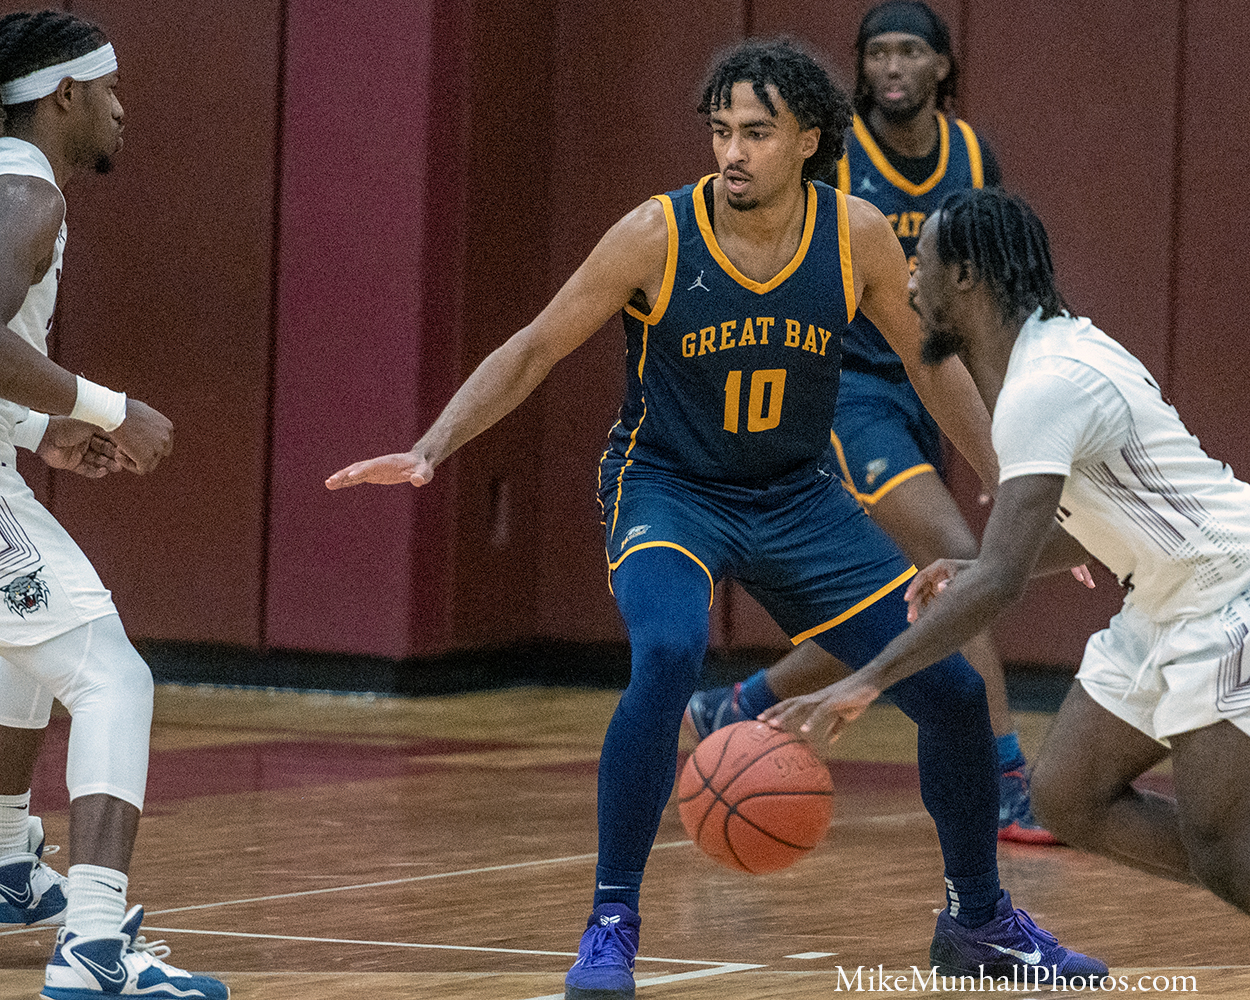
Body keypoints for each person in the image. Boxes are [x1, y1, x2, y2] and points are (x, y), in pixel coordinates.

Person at [327, 37, 1104, 998]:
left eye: (756, 133)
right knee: (666, 652)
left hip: (796, 495)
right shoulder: (655, 234)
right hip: (669, 488)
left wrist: (1022, 495)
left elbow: (932, 368)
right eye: (721, 130)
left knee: (949, 691)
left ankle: (978, 923)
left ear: (809, 140)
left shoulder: (855, 234)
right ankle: (611, 924)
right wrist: (432, 446)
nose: (732, 151)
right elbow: (535, 347)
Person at [762, 185, 1250, 918]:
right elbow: (1094, 525)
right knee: (1067, 795)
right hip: (1166, 595)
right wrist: (974, 567)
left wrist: (865, 681)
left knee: (1218, 844)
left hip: (1227, 592)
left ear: (965, 276)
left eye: (922, 264)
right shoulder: (1046, 359)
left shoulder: (1046, 385)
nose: (910, 284)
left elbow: (1001, 581)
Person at [683, 0, 1060, 845]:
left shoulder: (971, 156)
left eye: (909, 51)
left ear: (941, 67)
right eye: (878, 52)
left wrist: (1001, 423)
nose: (892, 66)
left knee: (905, 594)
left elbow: (985, 293)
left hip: (932, 384)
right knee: (960, 564)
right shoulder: (837, 157)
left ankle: (739, 703)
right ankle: (1005, 777)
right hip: (849, 390)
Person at [0, 11, 228, 999]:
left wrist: (36, 428)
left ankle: (7, 866)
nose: (122, 108)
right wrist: (106, 407)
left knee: (23, 652)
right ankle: (93, 946)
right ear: (64, 96)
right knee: (112, 680)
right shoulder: (27, 194)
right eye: (110, 89)